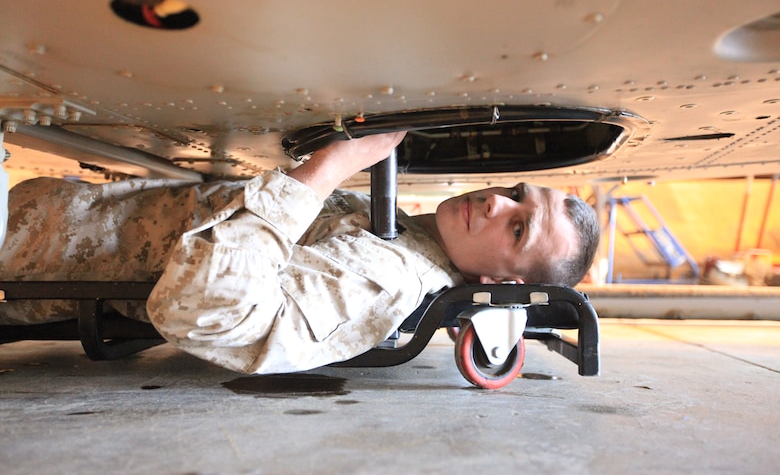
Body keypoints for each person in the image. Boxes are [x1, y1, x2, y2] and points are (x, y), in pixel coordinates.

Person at [0, 132, 599, 374]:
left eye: (518, 228)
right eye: (516, 194)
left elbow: (206, 311)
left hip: (19, 255)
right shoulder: (407, 234)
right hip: (32, 217)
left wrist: (329, 166)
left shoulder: (390, 276)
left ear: (504, 281)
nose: (495, 202)